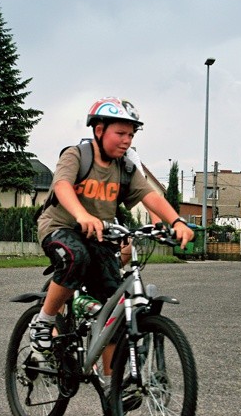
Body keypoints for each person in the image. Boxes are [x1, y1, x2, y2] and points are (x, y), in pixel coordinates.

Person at [30, 96, 194, 389]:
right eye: (120, 133)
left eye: (131, 135)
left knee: (115, 306)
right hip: (60, 227)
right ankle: (43, 322)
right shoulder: (77, 155)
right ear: (98, 130)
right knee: (74, 257)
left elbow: (150, 196)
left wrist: (176, 221)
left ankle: (111, 383)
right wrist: (81, 215)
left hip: (99, 235)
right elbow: (62, 186)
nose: (126, 140)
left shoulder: (125, 169)